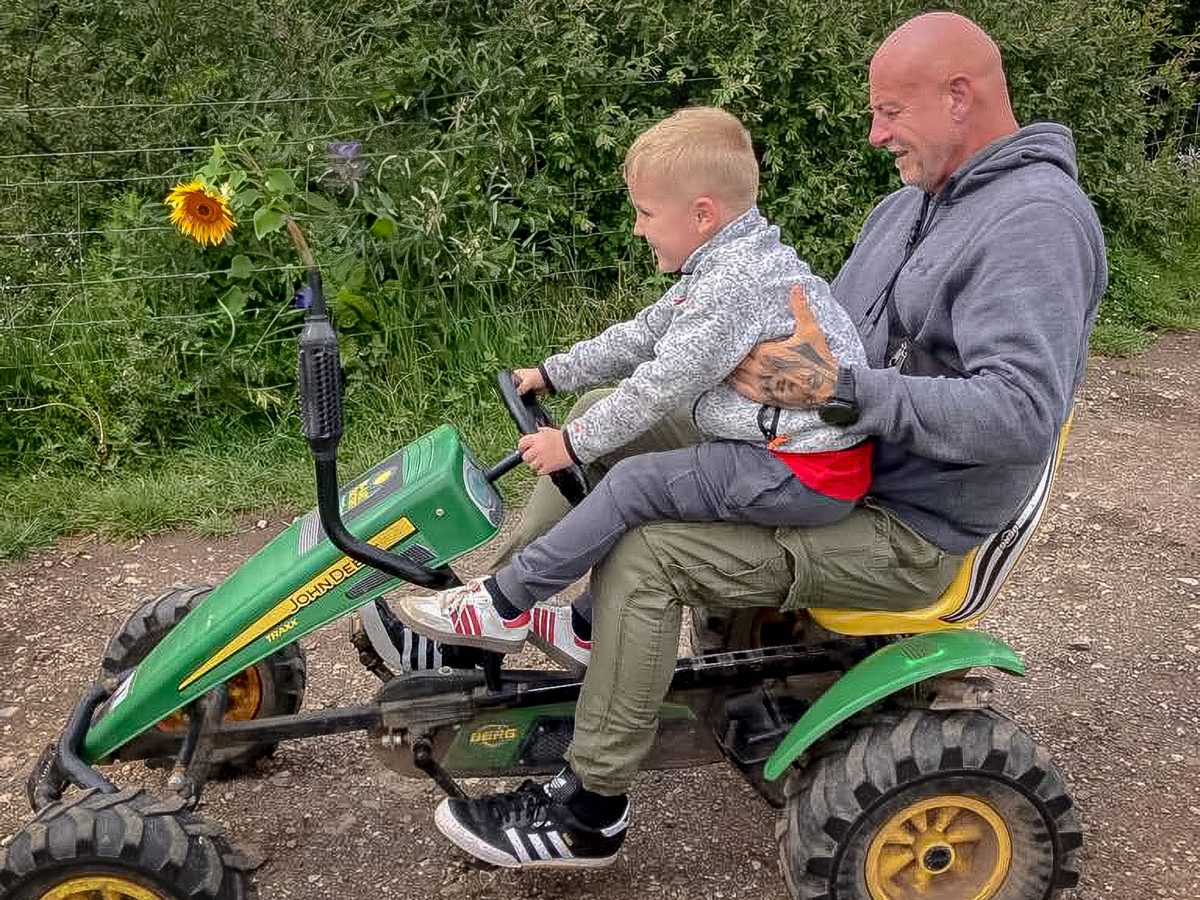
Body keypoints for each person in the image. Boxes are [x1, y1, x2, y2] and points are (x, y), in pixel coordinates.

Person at [426, 11, 1108, 871]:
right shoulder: (909, 208)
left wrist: (844, 393)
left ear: (959, 95)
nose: (875, 133)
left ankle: (588, 813)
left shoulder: (1035, 225)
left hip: (908, 523)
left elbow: (1018, 411)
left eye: (890, 111)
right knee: (614, 421)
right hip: (831, 458)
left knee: (650, 551)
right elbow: (824, 338)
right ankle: (497, 615)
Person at [395, 106, 872, 674]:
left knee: (633, 484)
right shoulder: (730, 264)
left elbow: (656, 389)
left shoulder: (735, 285)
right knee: (655, 489)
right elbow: (646, 333)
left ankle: (502, 605)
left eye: (646, 213)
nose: (638, 227)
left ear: (702, 214)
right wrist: (553, 373)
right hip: (788, 452)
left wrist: (570, 443)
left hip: (803, 472)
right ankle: (583, 629)